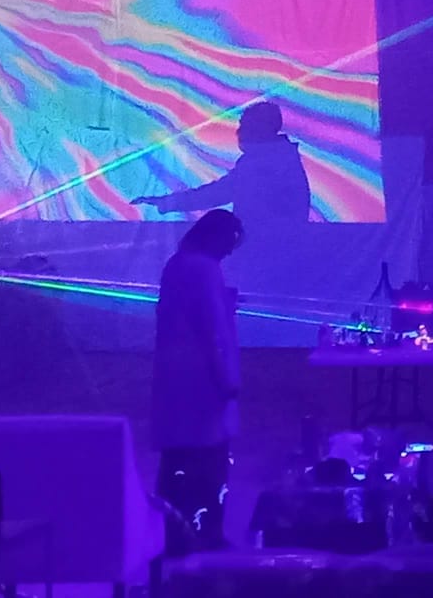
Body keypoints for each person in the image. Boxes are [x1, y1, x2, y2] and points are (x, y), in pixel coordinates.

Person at [154, 208, 244, 554]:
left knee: (177, 462)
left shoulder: (177, 264)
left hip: (176, 381)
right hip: (203, 383)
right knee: (210, 461)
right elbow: (211, 330)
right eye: (230, 241)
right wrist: (226, 378)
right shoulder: (204, 269)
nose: (231, 250)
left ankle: (173, 534)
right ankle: (208, 535)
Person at [132, 103, 311, 229]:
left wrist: (168, 202)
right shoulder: (279, 159)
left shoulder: (264, 164)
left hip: (264, 251)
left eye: (245, 125)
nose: (239, 132)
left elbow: (217, 193)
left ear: (260, 128)